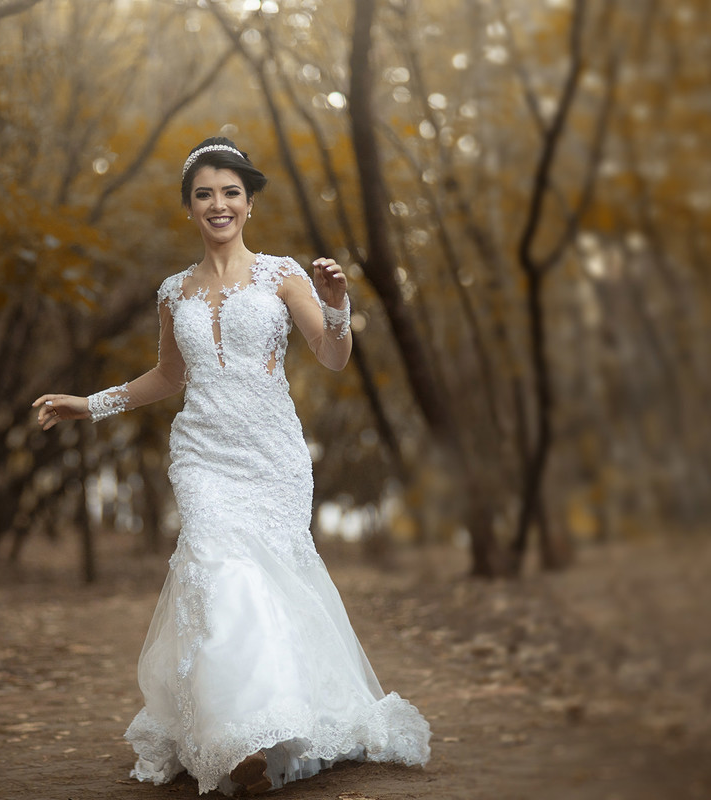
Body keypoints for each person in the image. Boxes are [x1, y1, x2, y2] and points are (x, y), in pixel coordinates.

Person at [33, 137, 431, 795]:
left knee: (268, 582)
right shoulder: (172, 291)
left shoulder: (284, 275)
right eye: (204, 194)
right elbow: (168, 376)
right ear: (190, 207)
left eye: (231, 192)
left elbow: (333, 355)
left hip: (272, 458)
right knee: (222, 576)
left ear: (248, 202)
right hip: (202, 458)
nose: (219, 204)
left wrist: (337, 307)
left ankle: (275, 723)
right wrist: (90, 405)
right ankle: (239, 741)